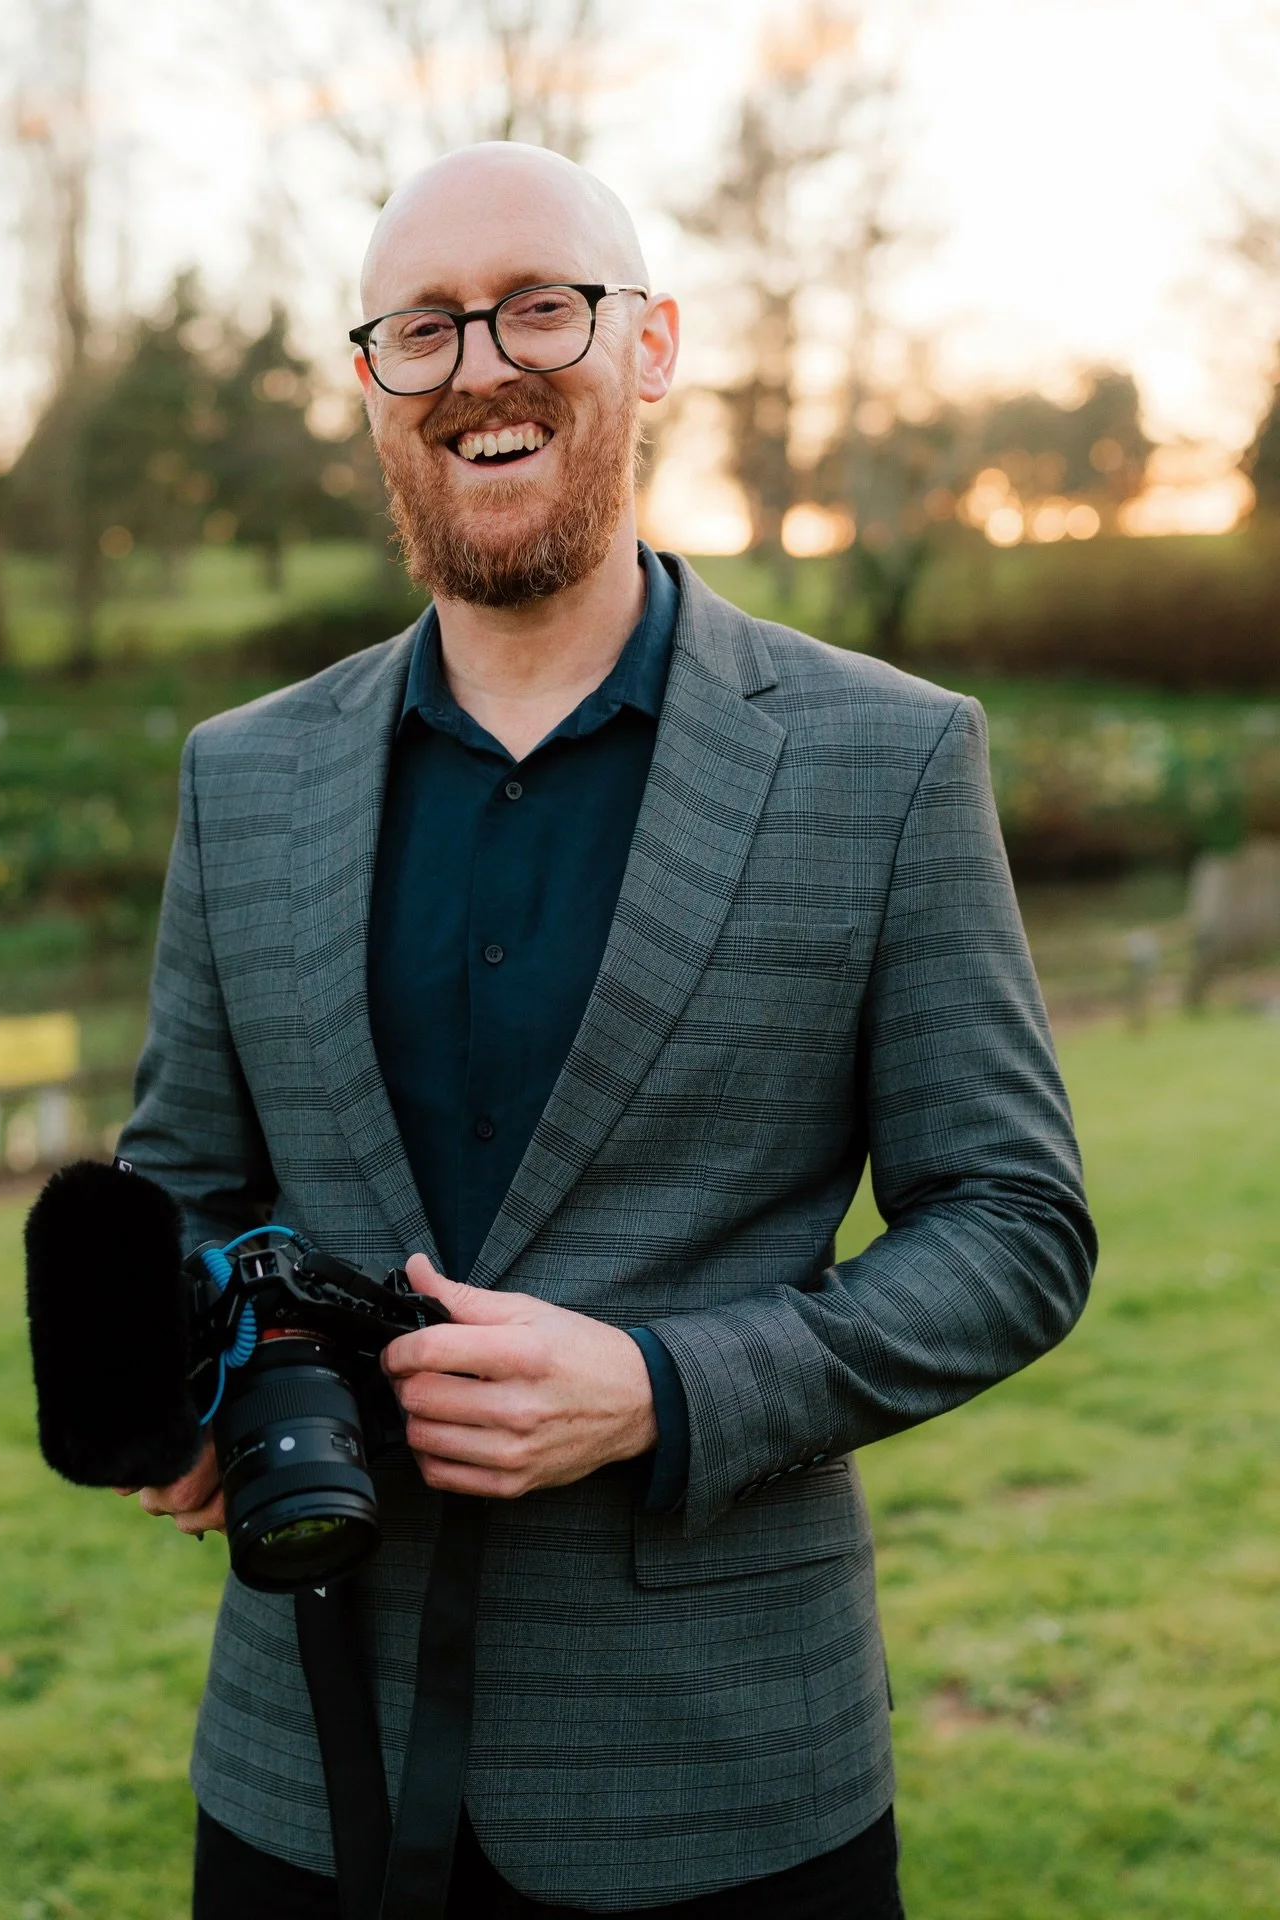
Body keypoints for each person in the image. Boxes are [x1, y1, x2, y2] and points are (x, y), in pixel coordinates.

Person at [116, 141, 1096, 1920]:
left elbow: (1017, 1231)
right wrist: (182, 1360)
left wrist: (657, 1391)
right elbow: (175, 1180)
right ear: (371, 388)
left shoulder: (891, 759)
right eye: (425, 327)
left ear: (647, 349)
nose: (481, 363)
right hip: (298, 1769)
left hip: (724, 1788)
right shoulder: (238, 777)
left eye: (540, 306)